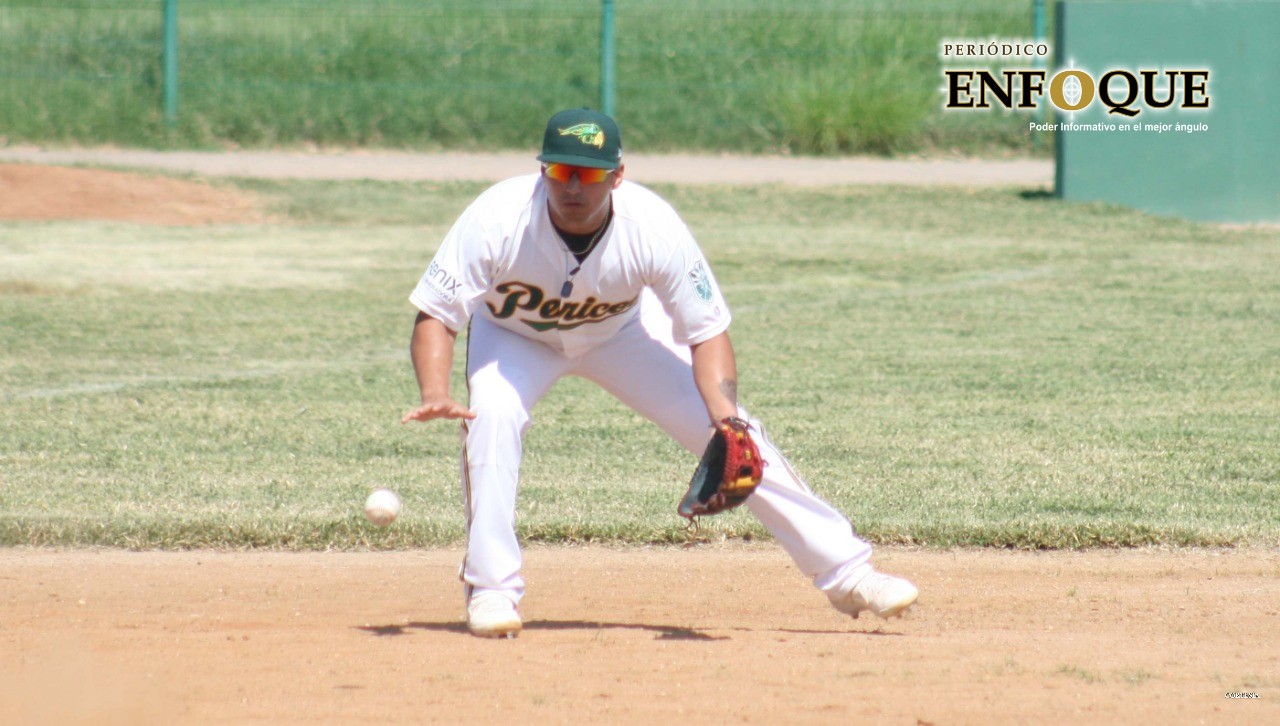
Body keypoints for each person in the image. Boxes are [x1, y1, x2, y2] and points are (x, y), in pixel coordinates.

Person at [402, 108, 918, 638]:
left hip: (621, 334)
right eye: (560, 171)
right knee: (491, 415)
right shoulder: (496, 217)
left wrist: (724, 419)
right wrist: (435, 391)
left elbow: (707, 331)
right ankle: (491, 591)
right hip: (515, 337)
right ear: (542, 171)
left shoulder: (652, 227)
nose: (573, 185)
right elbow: (437, 316)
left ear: (617, 176)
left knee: (739, 434)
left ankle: (850, 574)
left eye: (589, 173)